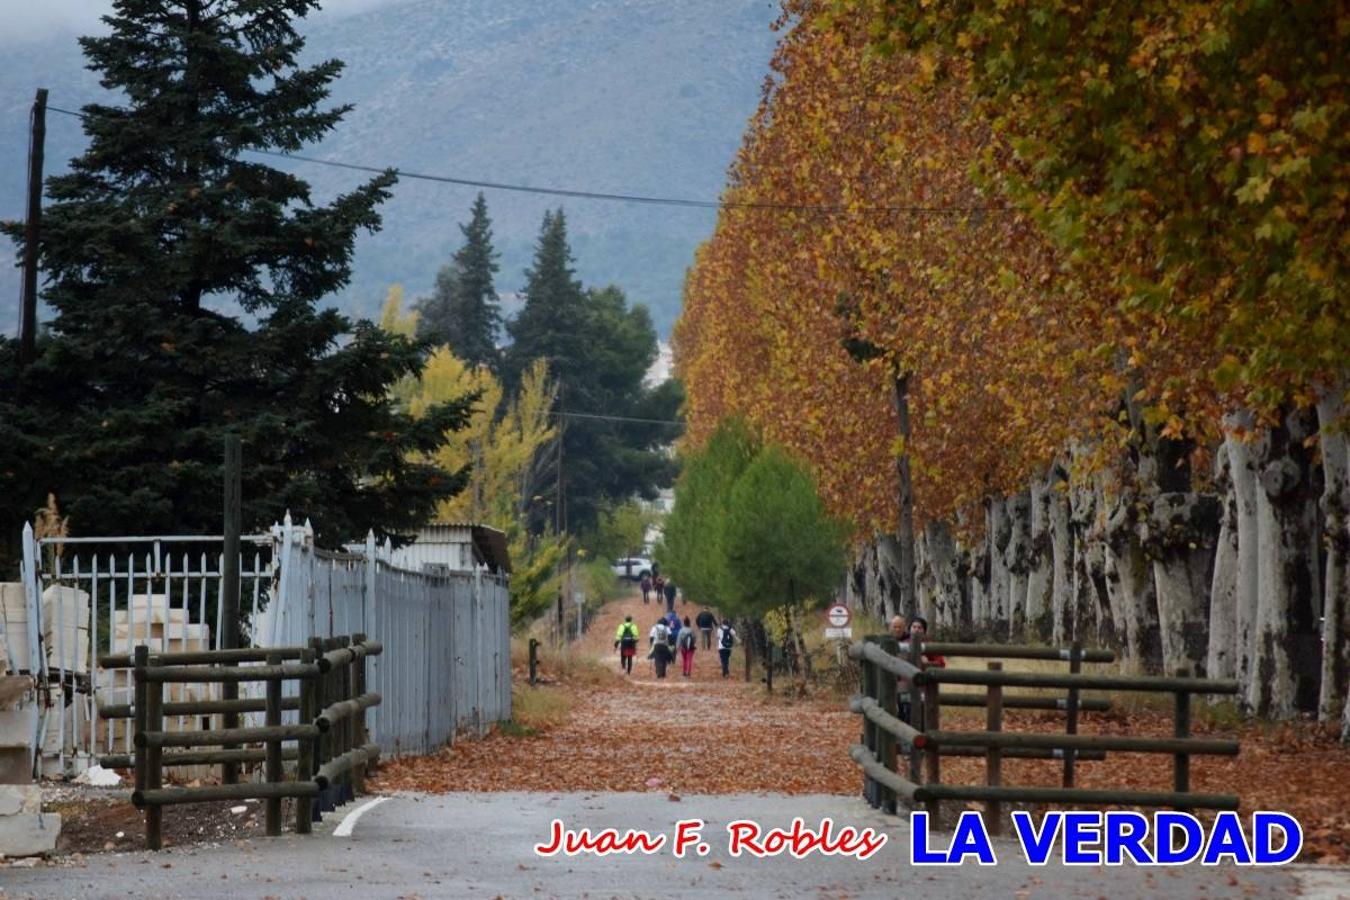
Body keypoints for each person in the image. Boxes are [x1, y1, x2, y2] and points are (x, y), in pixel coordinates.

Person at [897, 616, 946, 723]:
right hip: (905, 687)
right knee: (905, 716)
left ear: (924, 631)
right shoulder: (902, 644)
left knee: (923, 717)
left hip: (925, 688)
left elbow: (941, 665)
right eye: (914, 627)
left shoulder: (930, 646)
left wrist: (928, 663)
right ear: (909, 629)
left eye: (920, 628)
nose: (916, 630)